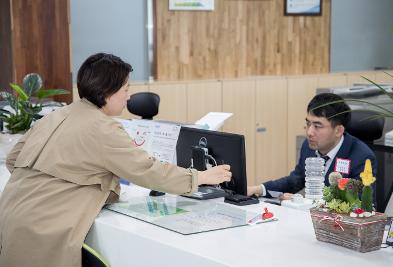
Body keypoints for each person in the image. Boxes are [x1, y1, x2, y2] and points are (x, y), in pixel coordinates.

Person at [0, 53, 232, 267]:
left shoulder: (55, 115)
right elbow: (148, 170)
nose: (128, 96)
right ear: (107, 92)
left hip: (12, 215)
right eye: (125, 89)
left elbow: (13, 159)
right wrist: (200, 176)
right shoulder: (103, 127)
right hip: (44, 229)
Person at [247, 93, 377, 200]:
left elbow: (358, 202)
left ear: (338, 131)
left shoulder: (361, 156)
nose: (309, 132)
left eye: (317, 126)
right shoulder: (309, 146)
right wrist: (258, 189)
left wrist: (302, 201)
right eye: (308, 124)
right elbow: (296, 180)